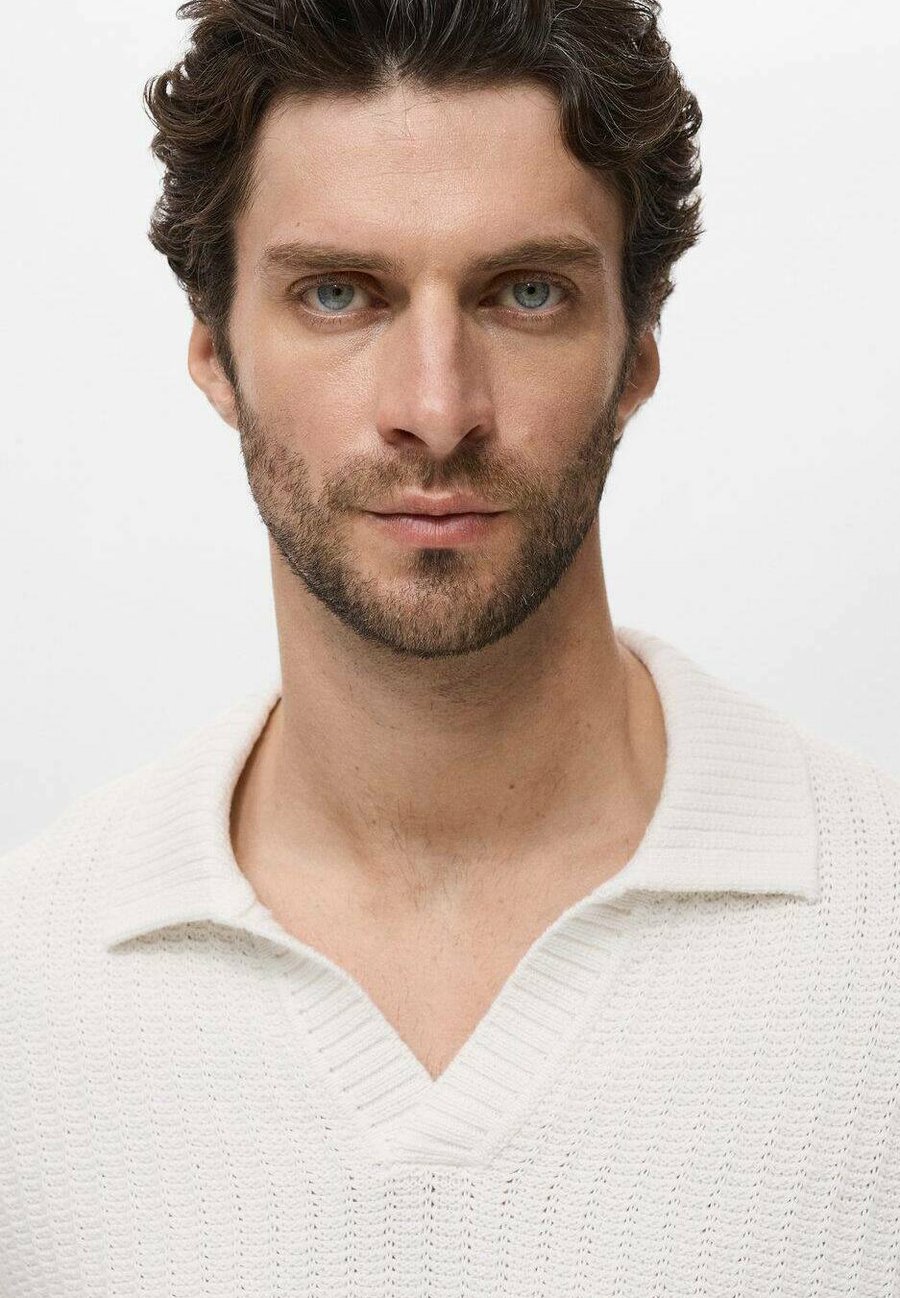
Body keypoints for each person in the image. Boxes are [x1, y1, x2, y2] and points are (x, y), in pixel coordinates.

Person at [2, 1, 898, 1293]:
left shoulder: (881, 925)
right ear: (215, 353)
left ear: (636, 351)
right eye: (337, 294)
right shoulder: (26, 982)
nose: (436, 408)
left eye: (526, 293)